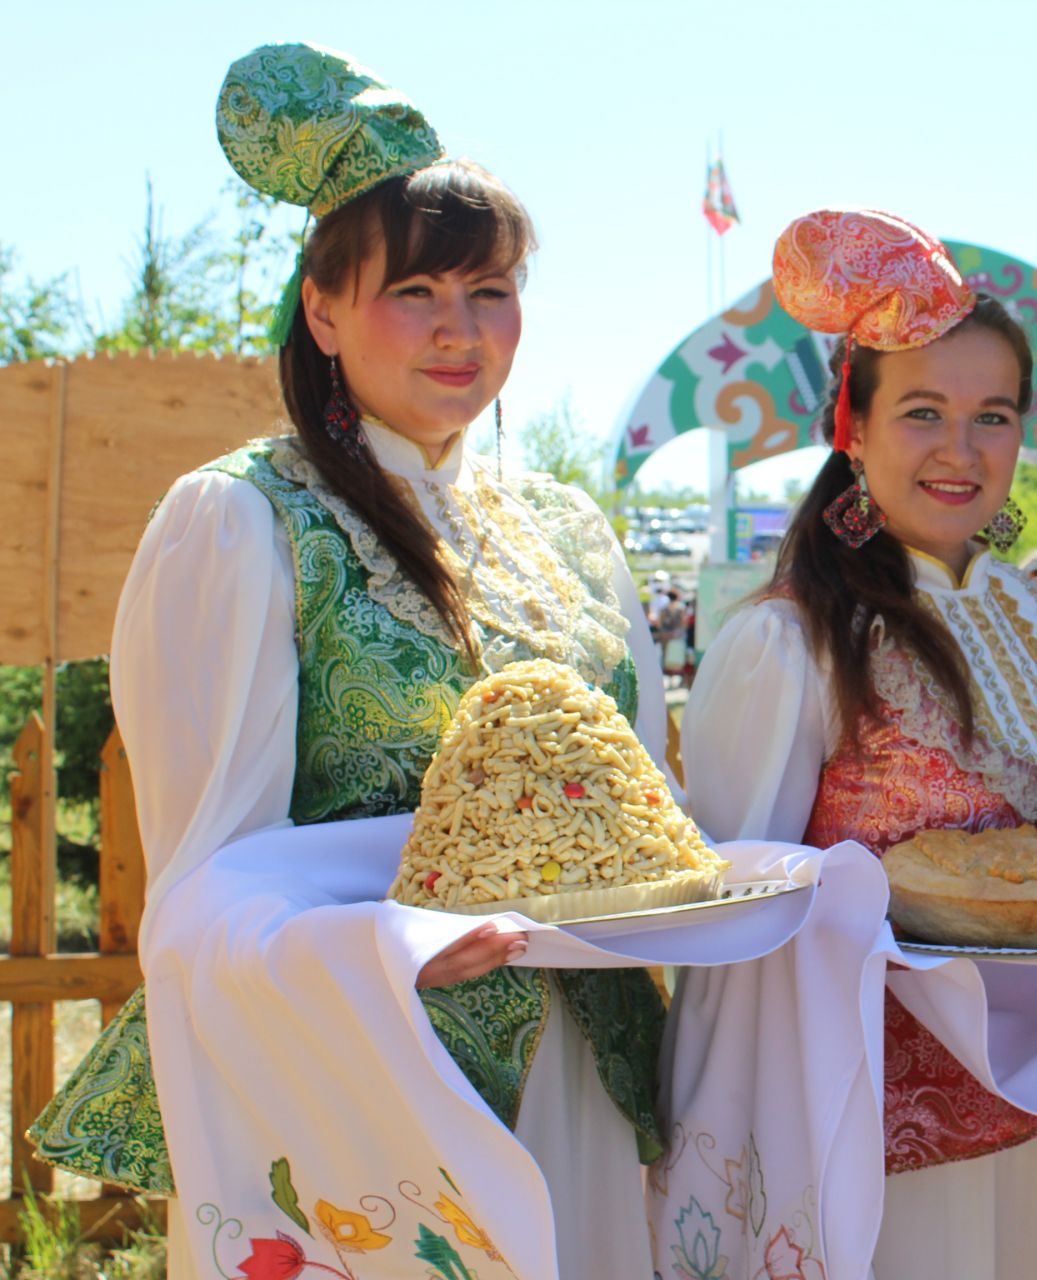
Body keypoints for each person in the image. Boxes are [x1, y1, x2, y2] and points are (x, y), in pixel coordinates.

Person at [30, 43, 670, 1278]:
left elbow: (648, 812)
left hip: (584, 1083)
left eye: (490, 291)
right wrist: (385, 942)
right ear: (322, 310)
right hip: (365, 1085)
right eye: (415, 291)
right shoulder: (245, 519)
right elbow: (209, 887)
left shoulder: (574, 534)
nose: (458, 330)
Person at [681, 209, 1037, 1280]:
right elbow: (733, 914)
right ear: (851, 427)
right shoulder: (789, 641)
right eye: (923, 411)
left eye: (992, 415)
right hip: (861, 1141)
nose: (961, 449)